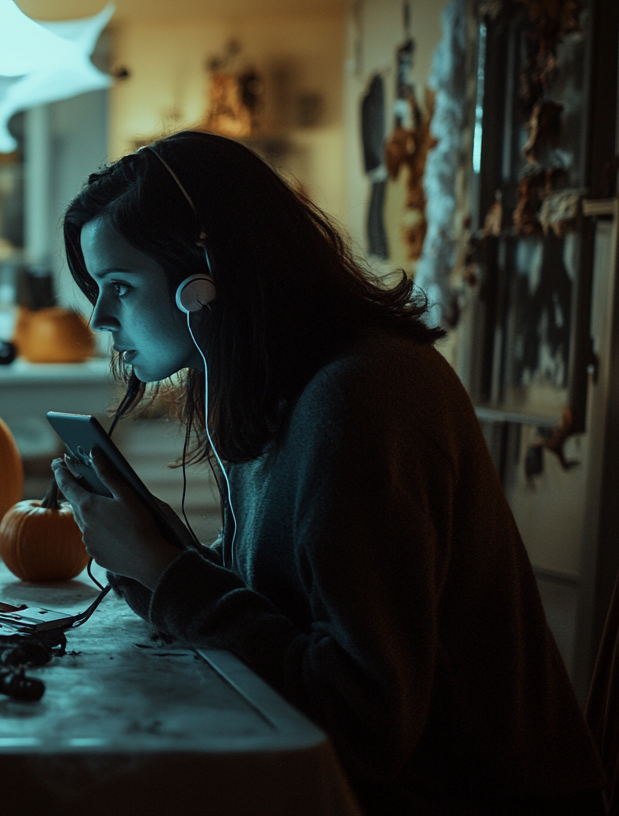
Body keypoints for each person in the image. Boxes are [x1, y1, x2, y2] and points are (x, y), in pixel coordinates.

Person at [51, 130, 605, 815]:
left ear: (206, 277)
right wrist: (158, 558)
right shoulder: (274, 390)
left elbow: (366, 725)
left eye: (120, 286)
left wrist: (171, 574)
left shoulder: (361, 399)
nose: (101, 317)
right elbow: (285, 599)